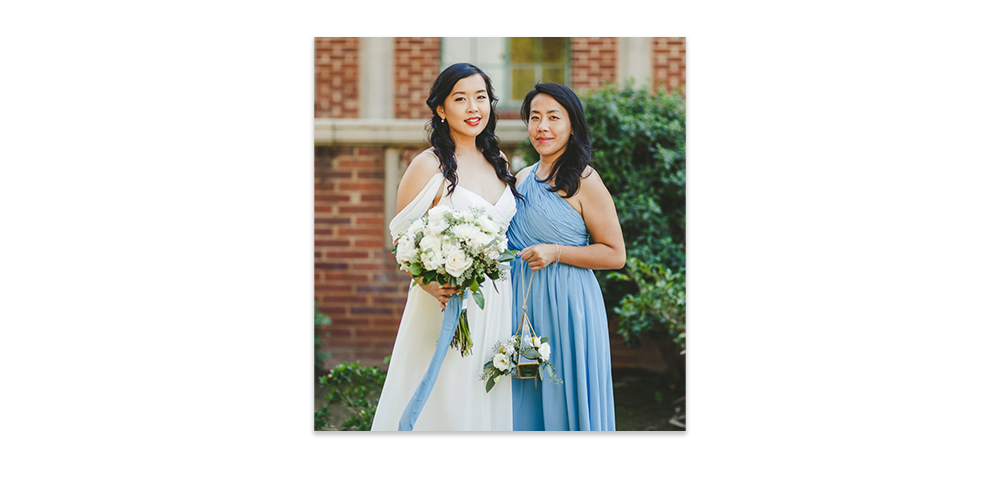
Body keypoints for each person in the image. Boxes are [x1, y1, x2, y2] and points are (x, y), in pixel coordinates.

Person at [371, 63, 522, 431]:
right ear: (441, 109)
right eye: (460, 99)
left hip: (497, 301)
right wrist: (432, 283)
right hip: (445, 301)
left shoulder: (499, 162)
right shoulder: (428, 165)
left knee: (482, 396)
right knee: (444, 396)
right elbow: (402, 241)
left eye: (481, 97)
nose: (474, 108)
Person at [508, 83, 625, 431]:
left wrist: (556, 252)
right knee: (523, 396)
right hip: (524, 303)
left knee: (567, 396)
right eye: (535, 117)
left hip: (569, 304)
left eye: (553, 118)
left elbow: (615, 254)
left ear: (572, 125)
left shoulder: (584, 179)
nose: (542, 126)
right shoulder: (522, 178)